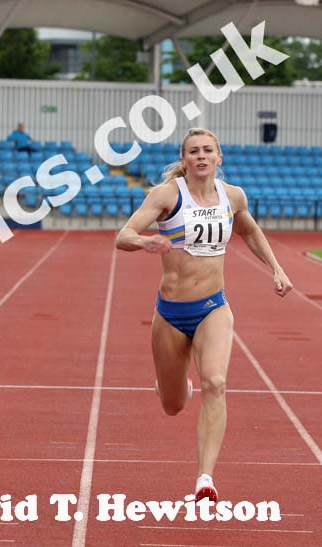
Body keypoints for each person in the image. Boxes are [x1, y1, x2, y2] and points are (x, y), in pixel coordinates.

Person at [115, 128, 293, 502]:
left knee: (216, 382)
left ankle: (204, 478)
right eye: (193, 151)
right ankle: (176, 387)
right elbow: (123, 235)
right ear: (184, 160)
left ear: (219, 158)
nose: (200, 156)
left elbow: (251, 232)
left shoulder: (233, 197)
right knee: (172, 405)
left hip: (214, 307)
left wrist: (275, 268)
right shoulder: (166, 195)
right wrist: (146, 240)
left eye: (207, 150)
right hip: (171, 312)